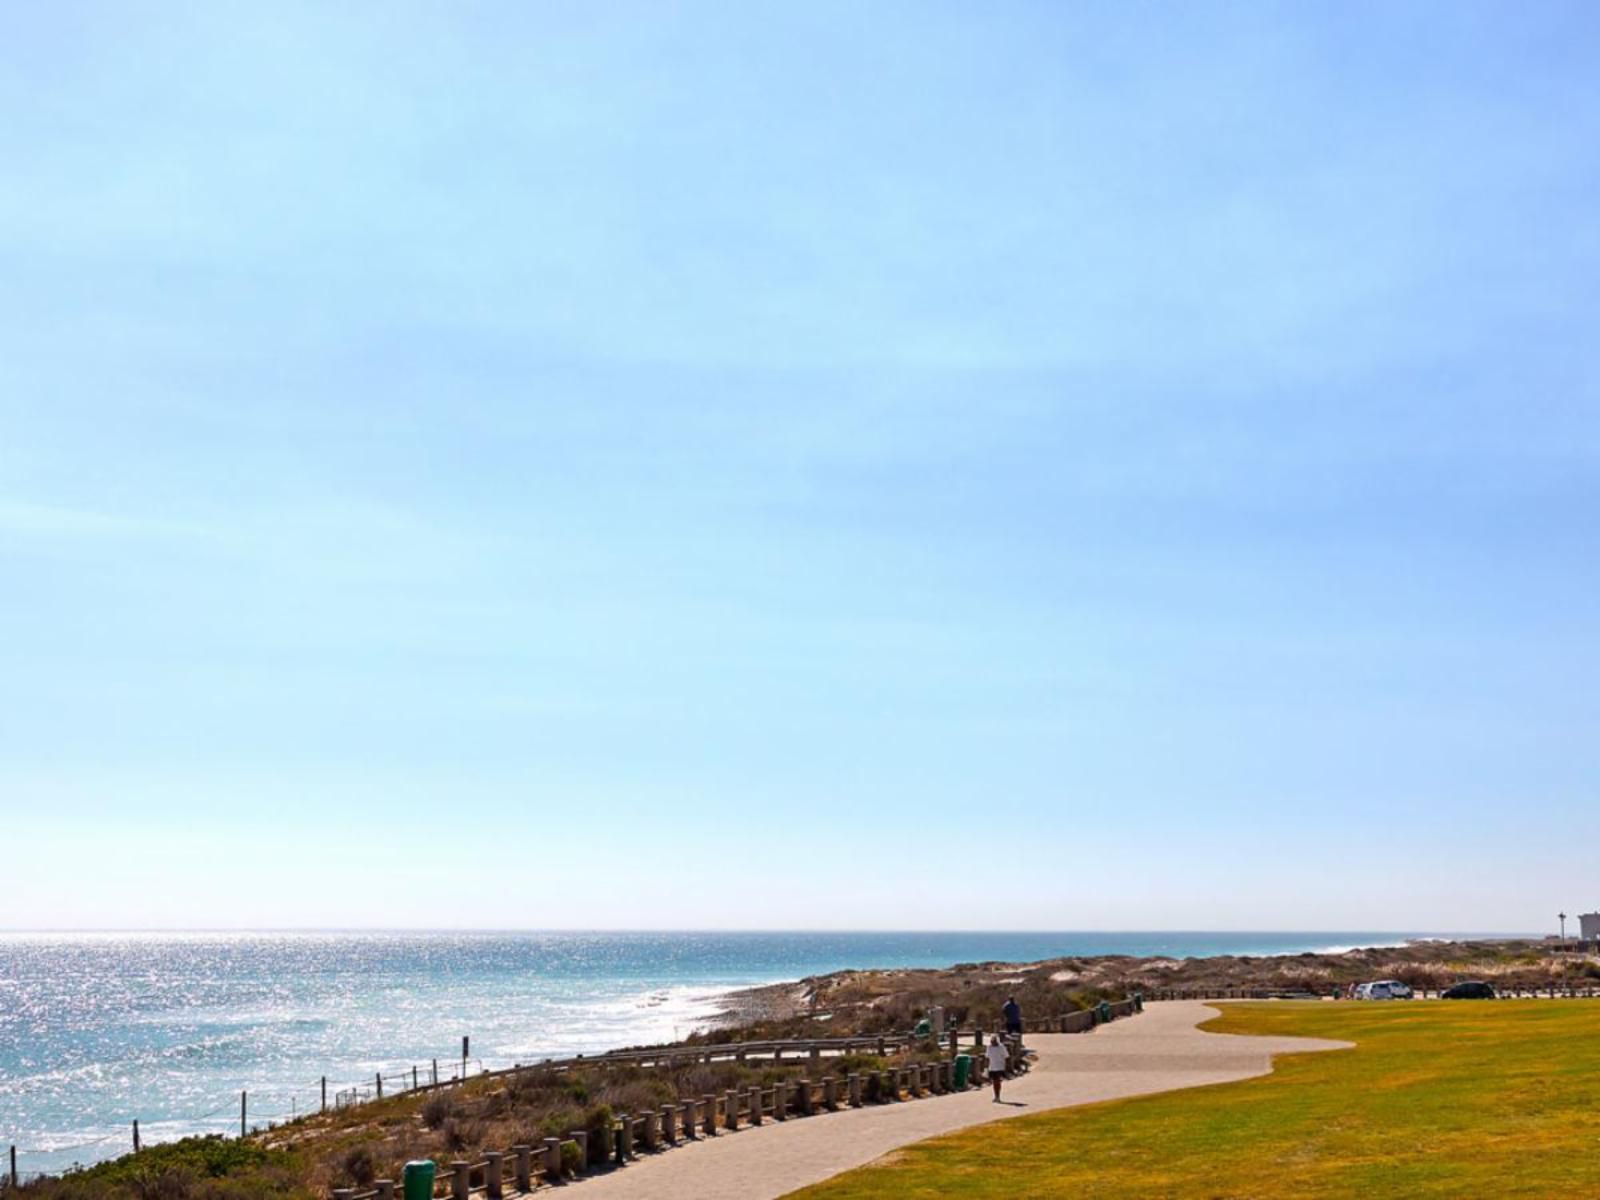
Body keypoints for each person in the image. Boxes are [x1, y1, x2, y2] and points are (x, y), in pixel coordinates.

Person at [985, 1033, 1010, 1101]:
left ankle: (997, 1096)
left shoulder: (1001, 1047)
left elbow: (1006, 1056)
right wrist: (986, 1068)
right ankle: (996, 1095)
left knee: (997, 1081)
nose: (992, 1042)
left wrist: (1006, 1067)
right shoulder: (989, 1047)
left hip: (1000, 1066)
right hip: (992, 1067)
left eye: (994, 1040)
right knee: (994, 1082)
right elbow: (987, 1057)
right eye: (992, 1040)